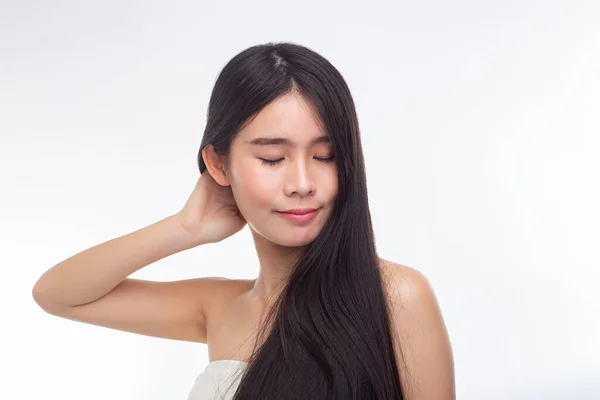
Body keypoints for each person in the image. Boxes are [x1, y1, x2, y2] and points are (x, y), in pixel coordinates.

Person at [32, 41, 455, 400]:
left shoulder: (397, 297)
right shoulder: (218, 308)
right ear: (218, 164)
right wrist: (184, 228)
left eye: (325, 156)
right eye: (272, 158)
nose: (302, 183)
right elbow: (58, 294)